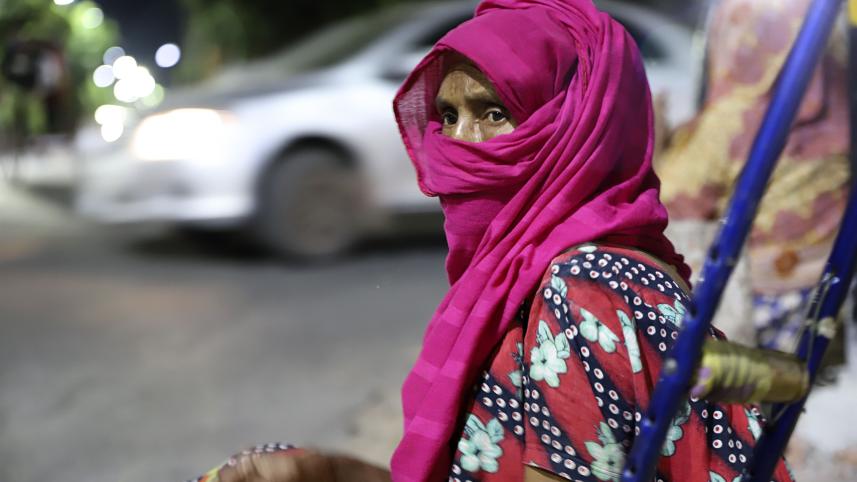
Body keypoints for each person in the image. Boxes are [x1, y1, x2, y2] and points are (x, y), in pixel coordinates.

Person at [189, 1, 795, 481]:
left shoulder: (588, 290)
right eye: (448, 118)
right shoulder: (543, 278)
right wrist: (335, 472)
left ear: (580, 127)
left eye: (496, 113)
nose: (461, 145)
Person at [656, 0, 850, 360]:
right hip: (812, 312)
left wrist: (654, 141)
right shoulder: (836, 129)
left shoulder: (737, 120)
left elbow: (668, 203)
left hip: (743, 318)